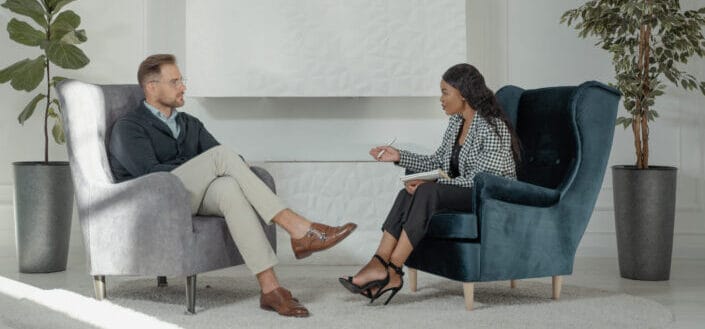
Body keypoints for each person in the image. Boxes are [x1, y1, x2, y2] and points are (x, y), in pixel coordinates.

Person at [109, 54, 357, 317]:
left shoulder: (188, 124)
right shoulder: (129, 127)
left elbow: (224, 159)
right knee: (222, 157)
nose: (183, 87)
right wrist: (209, 167)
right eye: (175, 82)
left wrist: (223, 168)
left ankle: (270, 289)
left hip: (189, 195)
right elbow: (151, 176)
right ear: (151, 87)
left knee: (229, 188)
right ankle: (299, 229)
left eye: (182, 80)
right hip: (154, 201)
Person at [339, 63, 520, 305]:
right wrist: (399, 156)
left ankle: (393, 270)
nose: (441, 99)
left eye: (445, 92)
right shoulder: (457, 123)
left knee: (425, 190)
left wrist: (429, 182)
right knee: (408, 194)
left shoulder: (492, 126)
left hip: (490, 197)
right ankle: (379, 262)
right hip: (466, 192)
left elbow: (483, 179)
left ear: (463, 94)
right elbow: (437, 161)